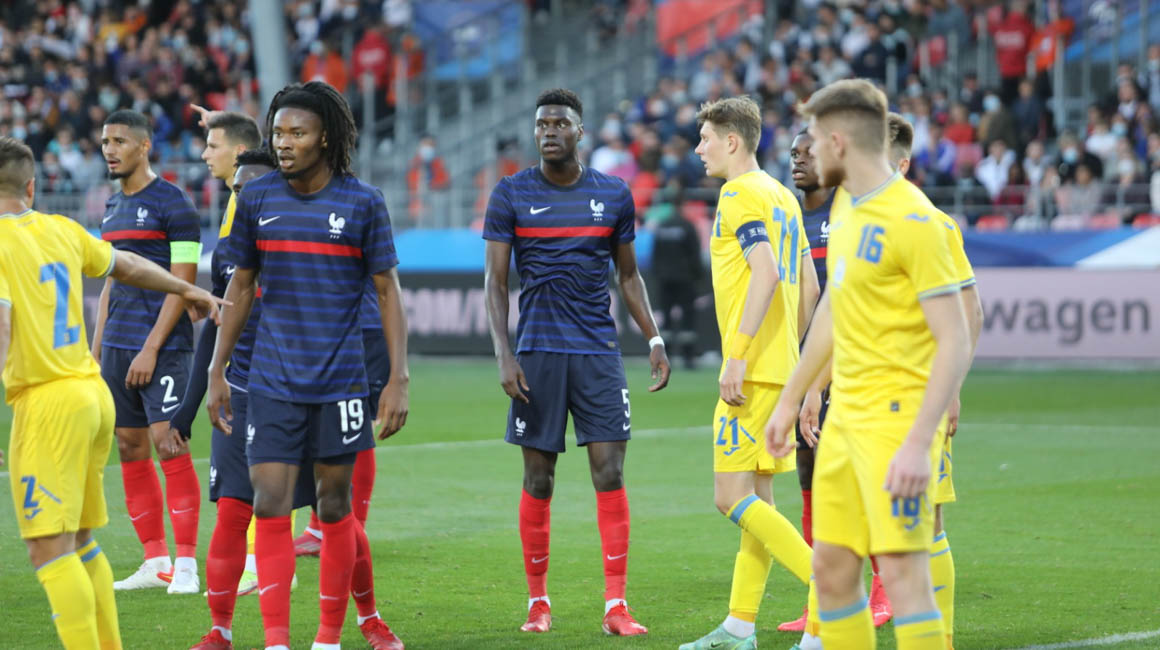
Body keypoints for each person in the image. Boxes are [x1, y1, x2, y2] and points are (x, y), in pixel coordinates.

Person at [766, 79, 973, 650]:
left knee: (905, 580)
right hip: (844, 424)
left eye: (812, 139)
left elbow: (955, 337)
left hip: (896, 425)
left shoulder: (915, 220)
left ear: (837, 141)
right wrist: (791, 398)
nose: (806, 151)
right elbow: (833, 310)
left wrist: (919, 441)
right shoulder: (847, 208)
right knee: (833, 572)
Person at [206, 81, 409, 650]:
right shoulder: (257, 199)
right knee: (269, 504)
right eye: (278, 132)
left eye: (298, 132)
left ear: (326, 137)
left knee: (335, 507)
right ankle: (277, 641)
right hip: (272, 381)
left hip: (341, 382)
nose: (285, 142)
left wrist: (397, 377)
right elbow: (240, 288)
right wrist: (218, 369)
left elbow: (388, 292)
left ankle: (327, 639)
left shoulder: (363, 201)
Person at [0, 135, 224, 650]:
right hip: (90, 393)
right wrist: (185, 286)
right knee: (80, 541)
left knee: (48, 548)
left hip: (47, 405)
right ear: (31, 188)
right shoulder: (61, 229)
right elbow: (126, 264)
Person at [482, 87, 671, 636]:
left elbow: (628, 276)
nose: (549, 131)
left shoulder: (612, 195)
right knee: (539, 478)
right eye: (542, 123)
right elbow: (495, 282)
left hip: (597, 353)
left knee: (609, 471)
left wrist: (654, 339)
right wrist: (504, 354)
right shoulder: (511, 193)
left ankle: (616, 606)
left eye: (560, 123)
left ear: (580, 132)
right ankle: (537, 603)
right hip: (537, 354)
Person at [677, 96, 819, 650]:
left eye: (706, 138)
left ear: (732, 141)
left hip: (753, 372)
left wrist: (737, 355)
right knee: (760, 500)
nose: (699, 149)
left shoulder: (737, 194)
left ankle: (830, 596)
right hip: (782, 371)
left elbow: (765, 273)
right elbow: (809, 286)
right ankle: (740, 626)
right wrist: (799, 363)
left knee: (729, 496)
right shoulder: (784, 196)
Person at [93, 109, 205, 594]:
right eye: (105, 141)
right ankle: (155, 559)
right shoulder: (112, 207)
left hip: (164, 347)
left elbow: (184, 284)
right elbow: (109, 283)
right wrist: (97, 348)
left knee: (168, 441)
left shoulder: (175, 204)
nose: (109, 150)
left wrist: (150, 348)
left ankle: (187, 564)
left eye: (119, 141)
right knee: (128, 445)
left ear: (145, 146)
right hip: (118, 346)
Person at [886, 112, 984, 650]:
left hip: (921, 396)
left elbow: (971, 313)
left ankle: (938, 639)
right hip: (871, 401)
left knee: (928, 523)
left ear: (902, 163)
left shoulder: (933, 224)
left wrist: (953, 389)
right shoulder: (861, 219)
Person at [649, 182, 704, 369]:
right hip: (685, 279)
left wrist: (658, 274)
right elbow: (695, 254)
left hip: (665, 279)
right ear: (683, 203)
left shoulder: (662, 226)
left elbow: (655, 254)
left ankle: (666, 355)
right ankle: (688, 357)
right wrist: (697, 276)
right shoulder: (687, 226)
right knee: (688, 317)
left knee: (665, 317)